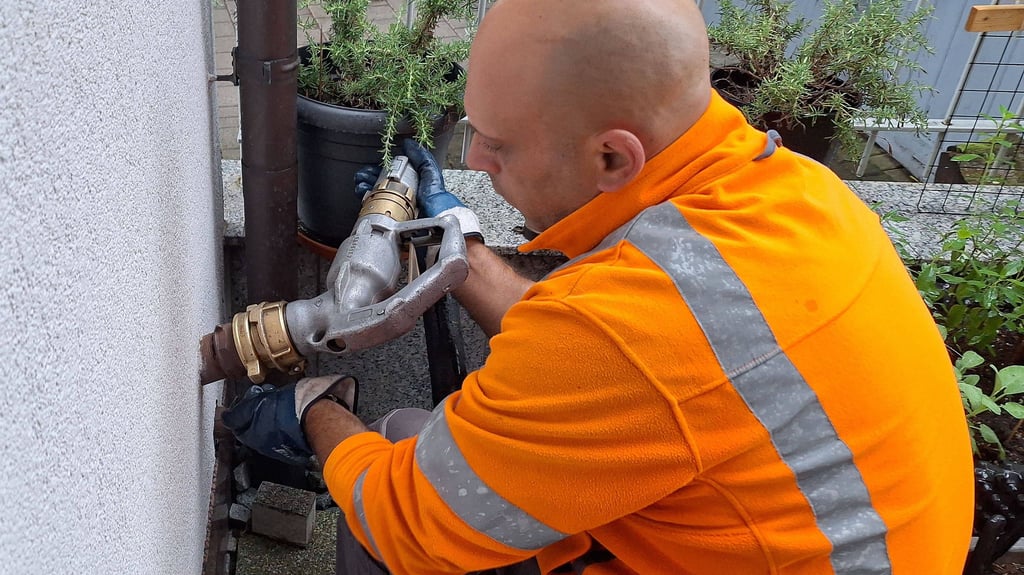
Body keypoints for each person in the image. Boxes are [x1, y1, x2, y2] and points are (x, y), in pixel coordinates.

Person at [223, 0, 975, 573]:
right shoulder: (793, 191)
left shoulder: (633, 331)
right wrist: (462, 250)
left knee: (392, 460)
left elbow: (409, 524)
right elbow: (609, 358)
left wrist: (315, 412)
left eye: (499, 143)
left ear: (613, 158)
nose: (475, 161)